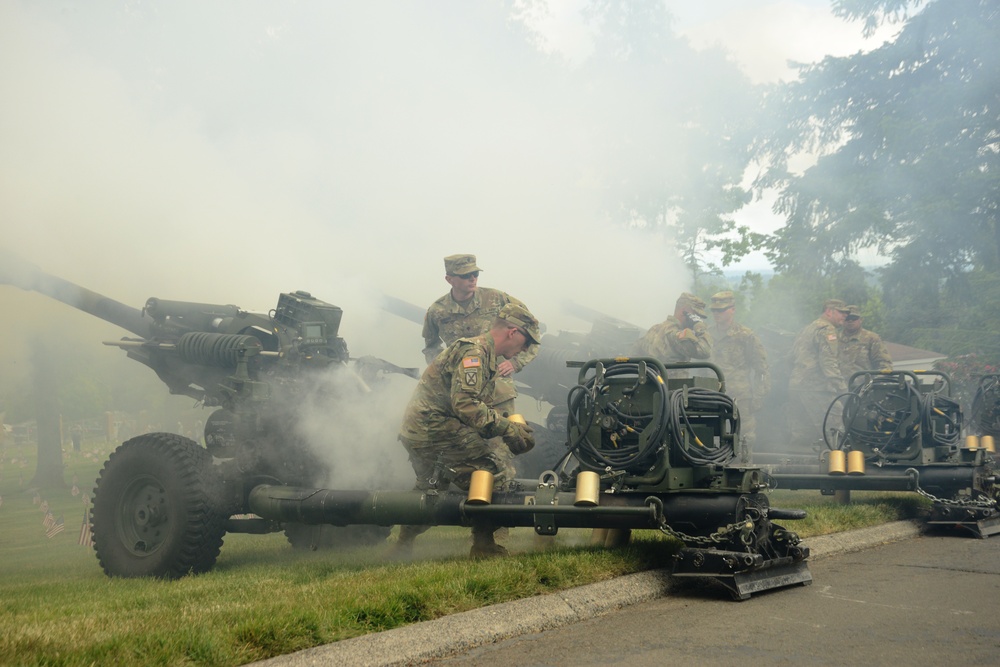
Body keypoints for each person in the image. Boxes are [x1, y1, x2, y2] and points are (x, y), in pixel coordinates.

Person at [395, 302, 542, 559]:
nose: (526, 348)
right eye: (526, 340)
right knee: (491, 473)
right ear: (512, 332)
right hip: (433, 430)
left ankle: (401, 546)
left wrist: (506, 426)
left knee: (431, 491)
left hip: (422, 430)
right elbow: (465, 403)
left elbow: (473, 404)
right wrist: (507, 429)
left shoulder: (482, 353)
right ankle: (483, 547)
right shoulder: (474, 354)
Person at [422, 254, 539, 418]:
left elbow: (532, 329)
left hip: (497, 384)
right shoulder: (437, 311)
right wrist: (442, 370)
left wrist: (516, 362)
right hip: (460, 386)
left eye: (475, 274)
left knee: (504, 436)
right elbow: (431, 347)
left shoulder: (497, 299)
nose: (472, 279)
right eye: (465, 275)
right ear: (449, 279)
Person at [708, 291, 770, 459]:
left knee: (744, 436)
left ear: (732, 309)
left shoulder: (745, 335)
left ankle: (744, 470)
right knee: (711, 435)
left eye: (721, 310)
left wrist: (758, 396)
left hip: (740, 397)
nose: (717, 314)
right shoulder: (707, 335)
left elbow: (761, 369)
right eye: (714, 310)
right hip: (711, 397)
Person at [787, 298, 851, 448]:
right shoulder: (827, 330)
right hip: (817, 388)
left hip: (797, 387)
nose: (845, 316)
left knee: (802, 435)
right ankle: (837, 466)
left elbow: (790, 357)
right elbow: (828, 363)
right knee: (836, 431)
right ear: (829, 311)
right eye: (841, 312)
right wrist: (843, 390)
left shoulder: (808, 329)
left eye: (846, 313)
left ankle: (799, 467)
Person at [633, 292, 711, 376]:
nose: (698, 318)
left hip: (651, 385)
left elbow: (634, 353)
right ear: (684, 311)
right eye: (696, 315)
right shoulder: (678, 334)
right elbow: (705, 351)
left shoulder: (654, 329)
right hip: (673, 387)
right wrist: (699, 325)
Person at [839, 305, 892, 384]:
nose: (850, 321)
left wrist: (876, 383)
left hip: (864, 389)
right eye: (847, 319)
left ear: (861, 320)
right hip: (839, 390)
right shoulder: (834, 339)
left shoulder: (872, 339)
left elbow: (884, 364)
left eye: (854, 318)